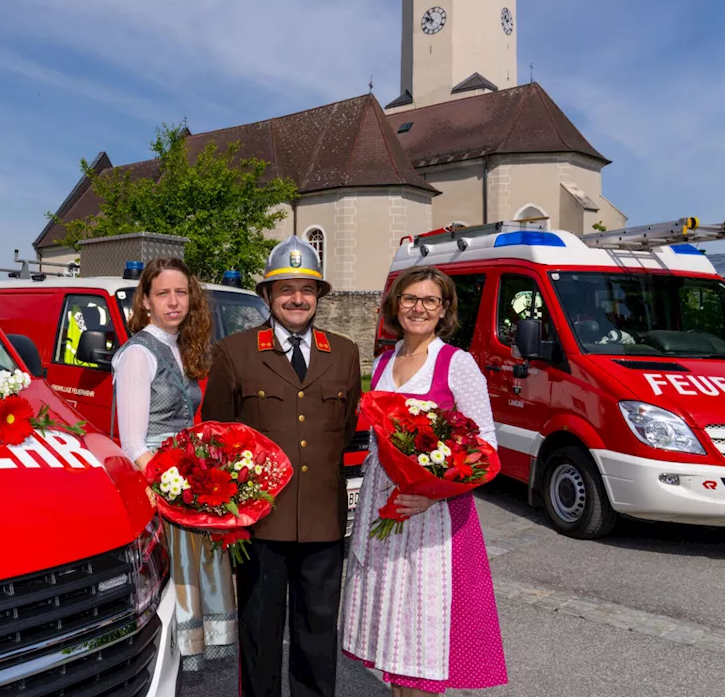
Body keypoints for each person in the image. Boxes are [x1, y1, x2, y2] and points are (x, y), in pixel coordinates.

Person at [201, 235, 362, 697]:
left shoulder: (345, 353)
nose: (297, 299)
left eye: (307, 290)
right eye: (286, 289)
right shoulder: (235, 351)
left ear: (319, 298)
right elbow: (217, 437)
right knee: (260, 631)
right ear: (268, 296)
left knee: (317, 632)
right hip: (259, 522)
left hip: (322, 521)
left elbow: (345, 424)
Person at [341, 265, 508, 696]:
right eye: (410, 299)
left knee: (421, 641)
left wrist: (432, 495)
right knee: (394, 638)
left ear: (444, 309)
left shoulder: (457, 363)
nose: (419, 308)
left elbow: (485, 448)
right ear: (396, 305)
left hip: (432, 517)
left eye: (430, 300)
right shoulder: (383, 361)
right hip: (384, 503)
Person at [112, 257, 237, 672]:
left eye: (180, 293)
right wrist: (178, 489)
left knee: (186, 588)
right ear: (145, 301)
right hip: (157, 488)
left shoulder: (181, 348)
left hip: (183, 481)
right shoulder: (137, 354)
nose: (173, 302)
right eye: (162, 293)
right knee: (165, 596)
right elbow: (132, 442)